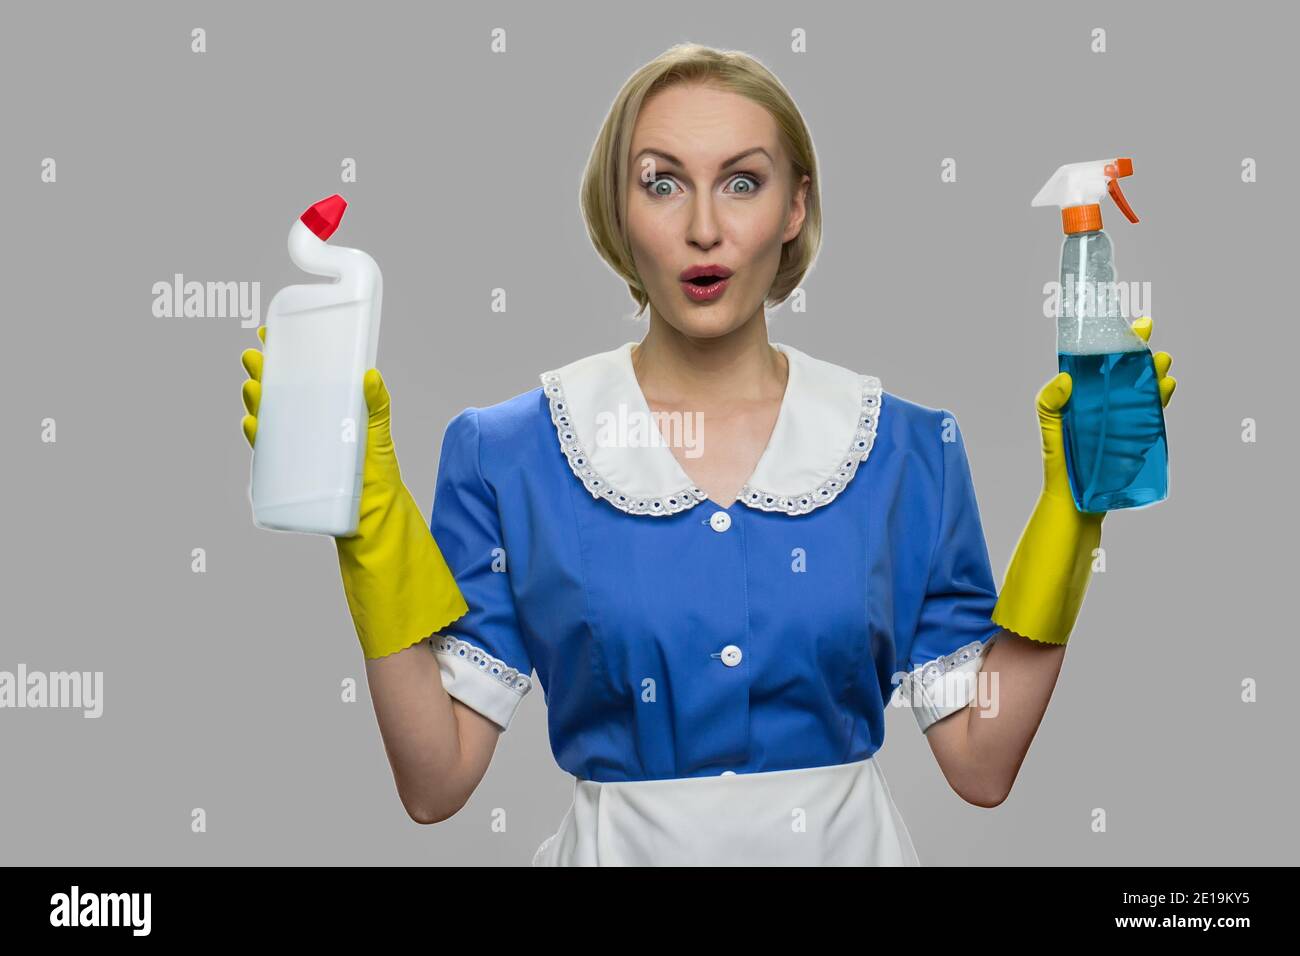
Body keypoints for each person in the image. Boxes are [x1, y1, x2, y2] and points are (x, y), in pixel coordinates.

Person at [240, 43, 1177, 866]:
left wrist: (1074, 515)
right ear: (619, 207)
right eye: (661, 181)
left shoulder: (905, 450)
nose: (702, 227)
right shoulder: (507, 454)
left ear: (794, 207)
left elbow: (982, 762)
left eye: (742, 180)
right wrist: (367, 532)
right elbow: (434, 784)